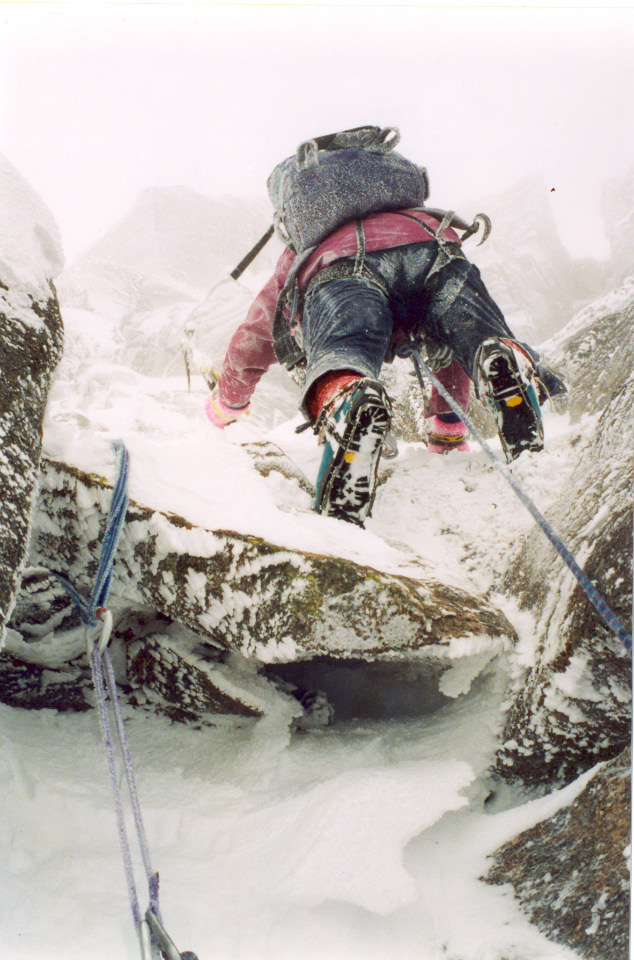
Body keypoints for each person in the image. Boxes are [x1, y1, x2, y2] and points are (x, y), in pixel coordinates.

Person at [205, 166, 563, 527]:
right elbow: (446, 353)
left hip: (344, 269)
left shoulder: (302, 251)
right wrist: (448, 431)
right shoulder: (417, 215)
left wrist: (226, 405)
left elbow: (252, 340)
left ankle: (348, 398)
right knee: (466, 332)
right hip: (436, 246)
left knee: (344, 354)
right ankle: (498, 356)